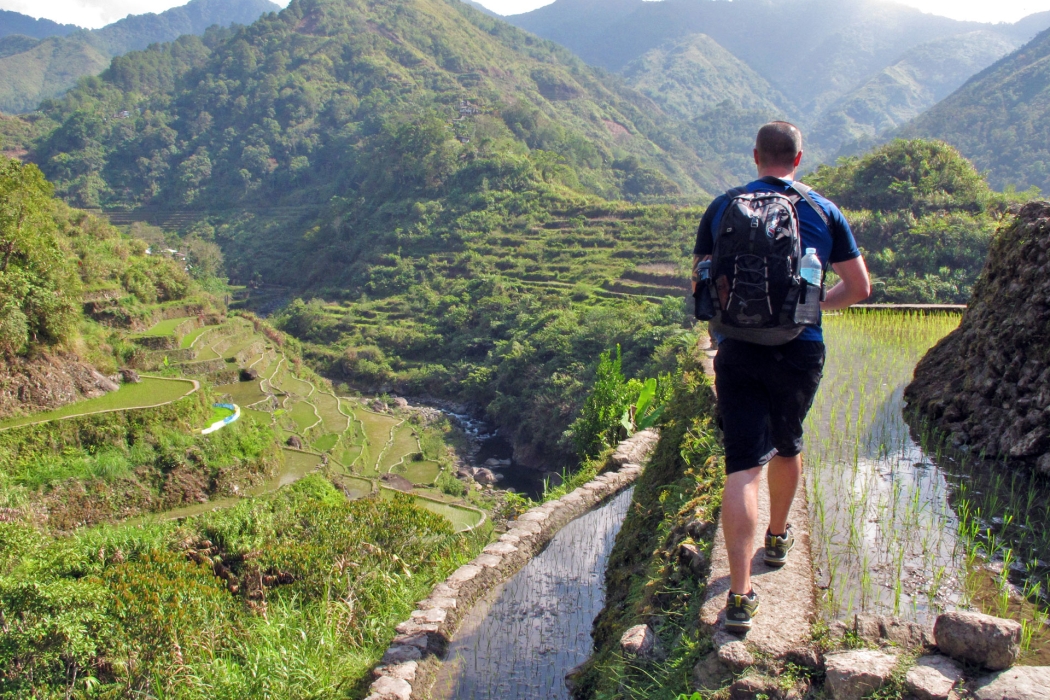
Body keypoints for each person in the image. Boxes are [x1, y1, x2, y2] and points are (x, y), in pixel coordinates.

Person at [691, 121, 871, 632]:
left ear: (755, 157)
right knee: (788, 446)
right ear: (797, 159)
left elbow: (704, 282)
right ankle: (777, 538)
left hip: (737, 350)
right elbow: (859, 287)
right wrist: (809, 311)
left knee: (743, 466)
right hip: (798, 350)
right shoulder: (822, 210)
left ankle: (741, 595)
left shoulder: (723, 206)